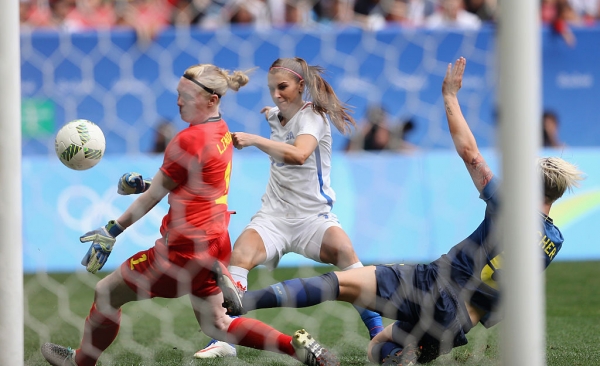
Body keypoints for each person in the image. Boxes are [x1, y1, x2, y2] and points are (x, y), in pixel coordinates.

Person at [215, 57, 585, 365]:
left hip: (432, 283)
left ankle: (243, 303)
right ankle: (402, 354)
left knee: (340, 285)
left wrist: (449, 96)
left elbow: (471, 154)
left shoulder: (510, 206)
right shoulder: (553, 242)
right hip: (458, 322)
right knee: (379, 348)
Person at [40, 63, 338, 366]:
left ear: (212, 99)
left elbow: (155, 197)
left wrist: (112, 230)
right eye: (179, 93)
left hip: (181, 251)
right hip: (215, 241)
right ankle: (297, 348)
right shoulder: (220, 130)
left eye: (187, 95)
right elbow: (195, 183)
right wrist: (146, 182)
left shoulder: (186, 140)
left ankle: (81, 362)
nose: (179, 101)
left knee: (106, 292)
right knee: (217, 325)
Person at [195, 56, 385, 358]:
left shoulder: (313, 117)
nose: (276, 94)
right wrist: (270, 113)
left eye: (282, 87)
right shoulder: (275, 115)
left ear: (300, 85)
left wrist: (255, 139)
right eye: (271, 89)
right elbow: (277, 118)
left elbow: (299, 154)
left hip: (313, 219)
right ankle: (225, 340)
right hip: (273, 217)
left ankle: (380, 334)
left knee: (347, 257)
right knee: (240, 256)